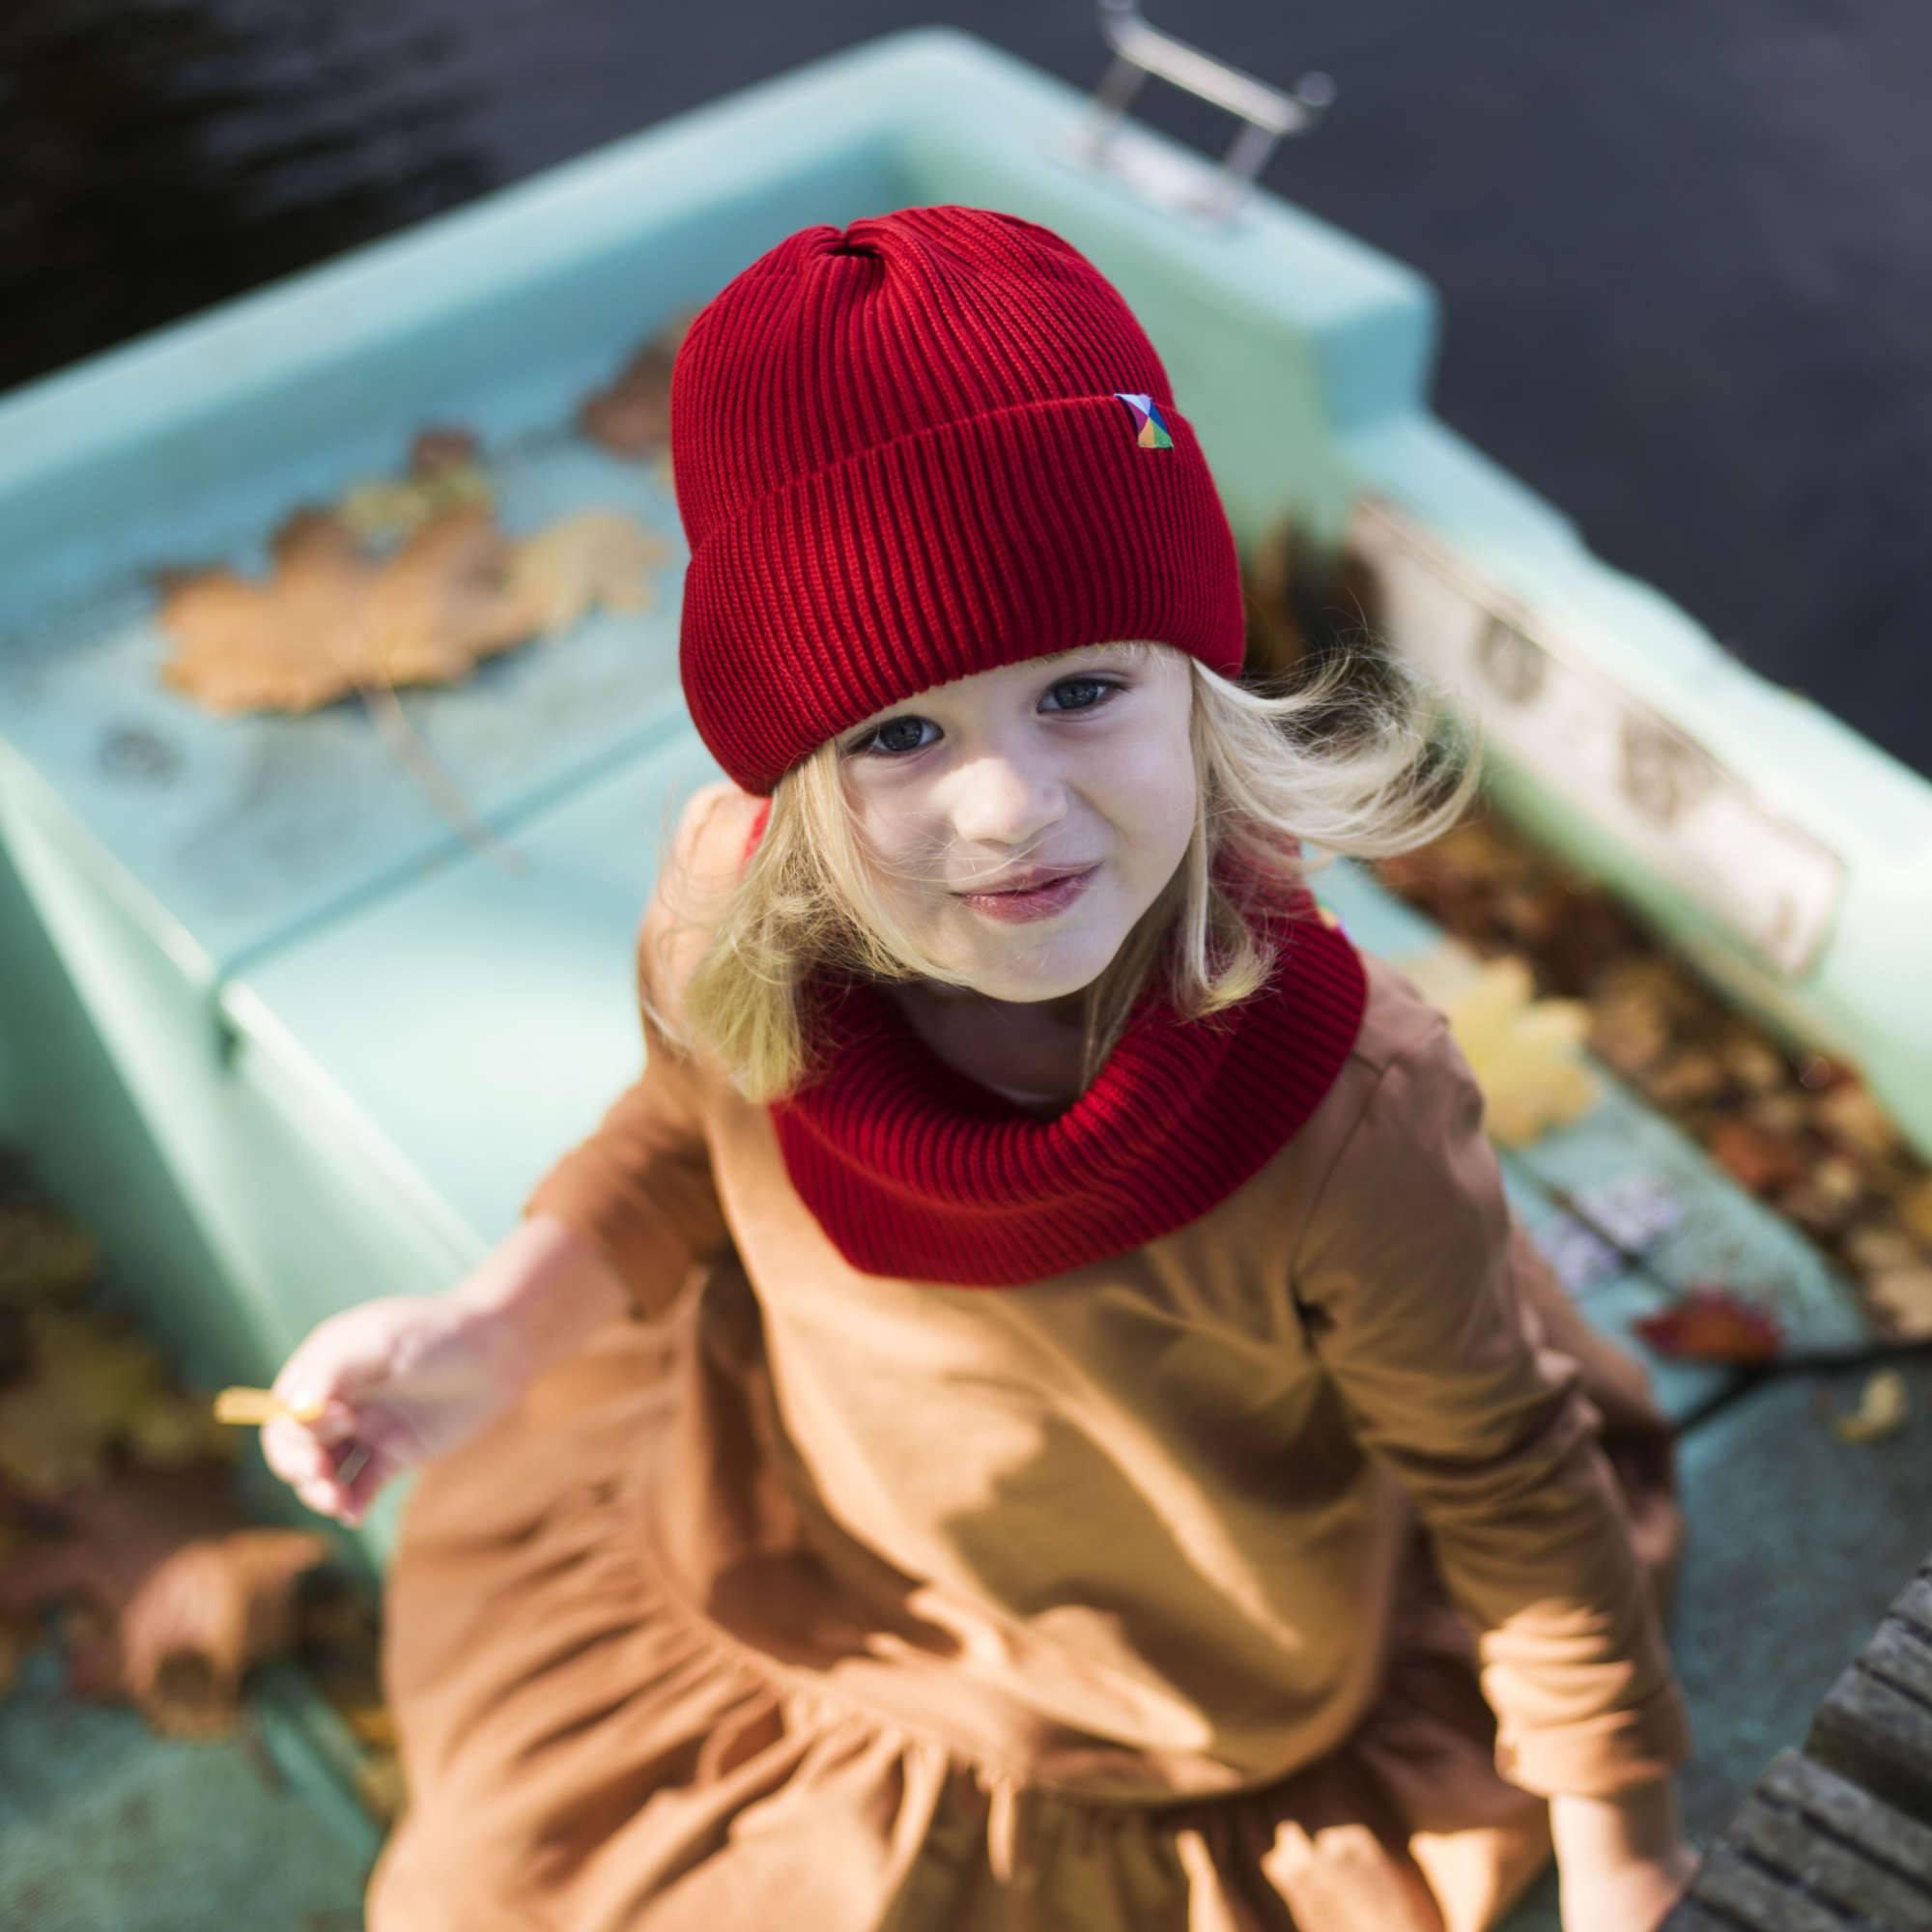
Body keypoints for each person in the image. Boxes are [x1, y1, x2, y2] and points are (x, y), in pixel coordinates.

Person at [261, 205, 1699, 1932]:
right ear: (787, 775)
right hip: (822, 1559)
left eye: (1082, 689)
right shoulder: (729, 927)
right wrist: (493, 1329)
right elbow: (682, 1142)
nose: (1008, 807)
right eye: (899, 733)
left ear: (1197, 689)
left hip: (1202, 1685)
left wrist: (1624, 1854)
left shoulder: (1344, 1108)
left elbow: (1506, 1482)